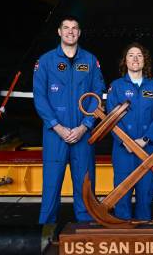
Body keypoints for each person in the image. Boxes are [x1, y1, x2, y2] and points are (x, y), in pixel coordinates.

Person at [33, 16, 105, 224]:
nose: (70, 32)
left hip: (83, 134)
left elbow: (97, 95)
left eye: (74, 28)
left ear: (79, 33)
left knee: (85, 186)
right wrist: (57, 126)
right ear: (59, 32)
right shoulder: (46, 61)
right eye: (66, 28)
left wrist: (85, 126)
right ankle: (45, 233)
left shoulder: (90, 60)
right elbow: (40, 97)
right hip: (55, 135)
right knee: (51, 186)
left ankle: (85, 232)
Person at [106, 43, 153, 221]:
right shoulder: (116, 87)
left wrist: (146, 139)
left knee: (145, 196)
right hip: (123, 151)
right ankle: (122, 238)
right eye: (131, 55)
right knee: (121, 197)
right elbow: (111, 118)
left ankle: (144, 235)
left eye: (139, 55)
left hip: (147, 150)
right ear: (125, 61)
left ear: (144, 60)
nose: (135, 59)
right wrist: (125, 141)